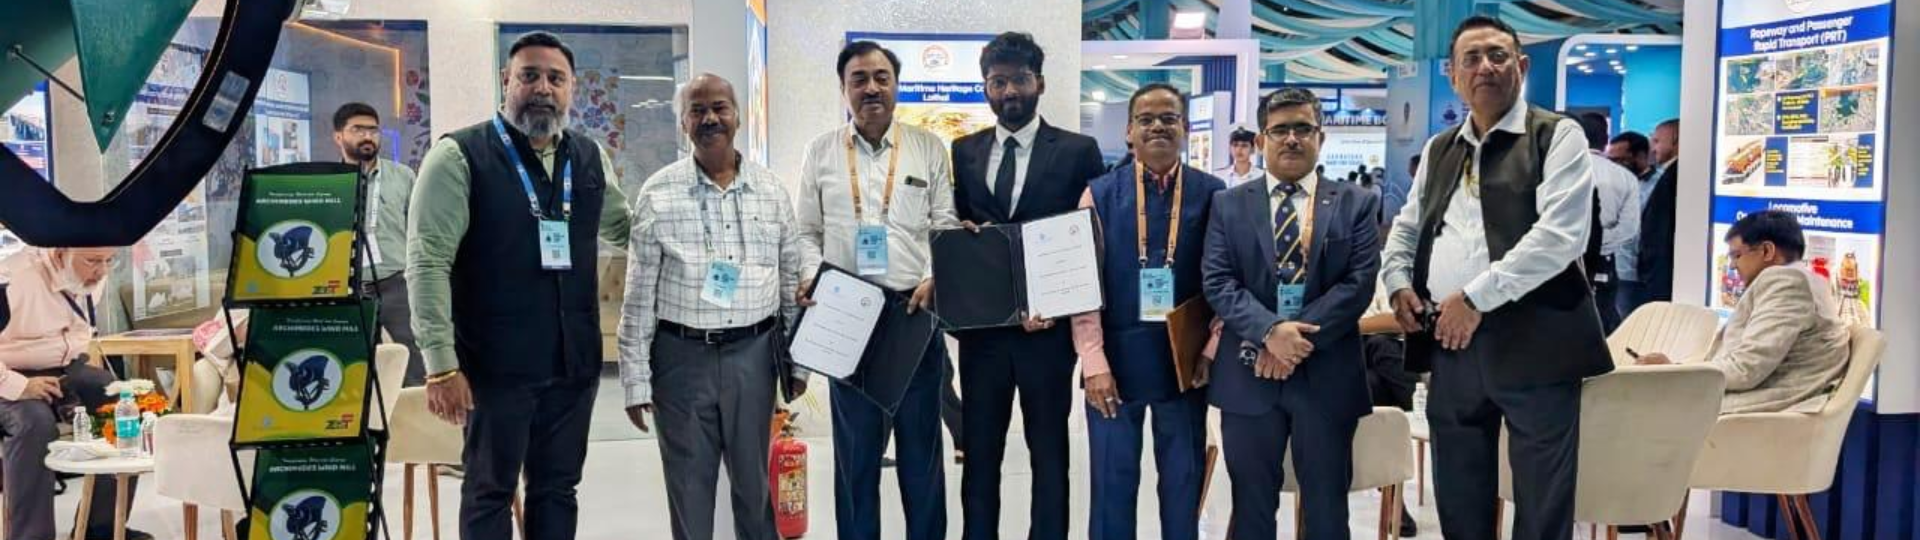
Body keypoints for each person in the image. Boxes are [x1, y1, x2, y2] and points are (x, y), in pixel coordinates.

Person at [1379, 16, 1611, 540]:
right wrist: (1397, 282)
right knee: (1460, 492)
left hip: (1538, 340)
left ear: (1521, 66)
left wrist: (1476, 297)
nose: (1485, 67)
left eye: (1497, 55)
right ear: (1453, 75)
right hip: (1452, 341)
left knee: (1542, 500)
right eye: (1471, 58)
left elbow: (1560, 237)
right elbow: (1408, 226)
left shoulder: (1556, 135)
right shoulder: (1441, 148)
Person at [407, 31, 631, 540]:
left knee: (558, 489)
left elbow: (627, 228)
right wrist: (441, 366)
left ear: (572, 89)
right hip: (494, 368)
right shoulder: (459, 156)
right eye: (529, 76)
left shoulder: (589, 158)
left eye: (556, 78)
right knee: (490, 490)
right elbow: (427, 263)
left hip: (572, 364)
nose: (543, 88)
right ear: (506, 80)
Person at [617, 73, 805, 540]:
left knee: (755, 491)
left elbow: (789, 282)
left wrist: (797, 364)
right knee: (689, 491)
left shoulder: (771, 191)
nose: (710, 118)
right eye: (697, 110)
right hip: (681, 361)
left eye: (720, 107)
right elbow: (638, 297)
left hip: (753, 356)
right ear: (683, 122)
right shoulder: (658, 193)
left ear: (738, 116)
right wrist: (635, 379)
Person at [795, 40, 958, 540]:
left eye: (881, 77)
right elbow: (807, 231)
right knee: (856, 462)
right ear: (843, 88)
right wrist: (813, 277)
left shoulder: (927, 147)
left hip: (913, 315)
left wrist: (934, 274)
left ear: (896, 84)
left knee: (921, 457)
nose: (871, 88)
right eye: (859, 79)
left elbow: (944, 223)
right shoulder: (821, 151)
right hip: (847, 317)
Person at [1203, 87, 1381, 540]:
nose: (1292, 139)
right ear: (1260, 140)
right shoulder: (1228, 204)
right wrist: (1269, 332)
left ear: (1321, 136)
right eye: (1280, 129)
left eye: (1303, 128)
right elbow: (1218, 281)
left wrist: (1293, 342)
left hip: (1326, 377)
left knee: (1326, 509)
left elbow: (1358, 285)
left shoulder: (1357, 202)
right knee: (1251, 510)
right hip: (1249, 373)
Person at [947, 32, 1105, 540]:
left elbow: (1091, 241)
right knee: (980, 455)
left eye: (1019, 79)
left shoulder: (1078, 151)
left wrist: (1064, 310)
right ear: (985, 88)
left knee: (1050, 454)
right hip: (985, 336)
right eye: (998, 82)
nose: (1009, 90)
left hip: (1048, 336)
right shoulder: (964, 152)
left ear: (1040, 82)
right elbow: (956, 229)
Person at [1069, 82, 1224, 540]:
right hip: (1114, 362)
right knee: (1111, 486)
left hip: (1186, 361)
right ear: (1129, 131)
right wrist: (1093, 361)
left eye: (1169, 118)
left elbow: (1226, 280)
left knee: (1182, 483)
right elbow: (1083, 285)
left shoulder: (1213, 194)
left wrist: (1212, 348)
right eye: (1146, 119)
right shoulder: (1098, 194)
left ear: (1185, 127)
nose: (1158, 126)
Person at [0, 248, 152, 540]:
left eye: (109, 260)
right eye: (92, 261)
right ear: (59, 255)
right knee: (35, 422)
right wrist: (17, 384)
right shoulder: (13, 278)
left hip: (66, 369)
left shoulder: (91, 277)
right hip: (10, 373)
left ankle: (101, 530)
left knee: (122, 403)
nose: (102, 270)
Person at [1635, 210, 1850, 414]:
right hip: (1761, 400)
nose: (1732, 266)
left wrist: (1673, 373)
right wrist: (1676, 369)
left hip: (1760, 410)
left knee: (1639, 405)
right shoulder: (1803, 280)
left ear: (1767, 251)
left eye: (1736, 255)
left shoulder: (1787, 283)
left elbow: (1747, 368)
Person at [331, 102, 425, 385]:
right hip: (349, 287)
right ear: (338, 136)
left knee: (416, 360)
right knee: (356, 365)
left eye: (373, 130)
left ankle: (416, 410)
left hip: (397, 284)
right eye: (358, 129)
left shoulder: (403, 176)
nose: (367, 136)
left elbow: (419, 230)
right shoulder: (329, 181)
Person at [1575, 113, 1640, 331]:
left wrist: (1583, 243)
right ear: (1606, 141)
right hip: (1605, 262)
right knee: (1604, 327)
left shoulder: (1561, 171)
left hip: (1564, 261)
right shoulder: (1625, 177)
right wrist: (1599, 243)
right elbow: (1629, 228)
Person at [1628, 119, 1680, 312]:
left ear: (1676, 140)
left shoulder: (1676, 175)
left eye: (1657, 141)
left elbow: (1661, 232)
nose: (1652, 148)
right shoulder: (1670, 173)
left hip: (1661, 276)